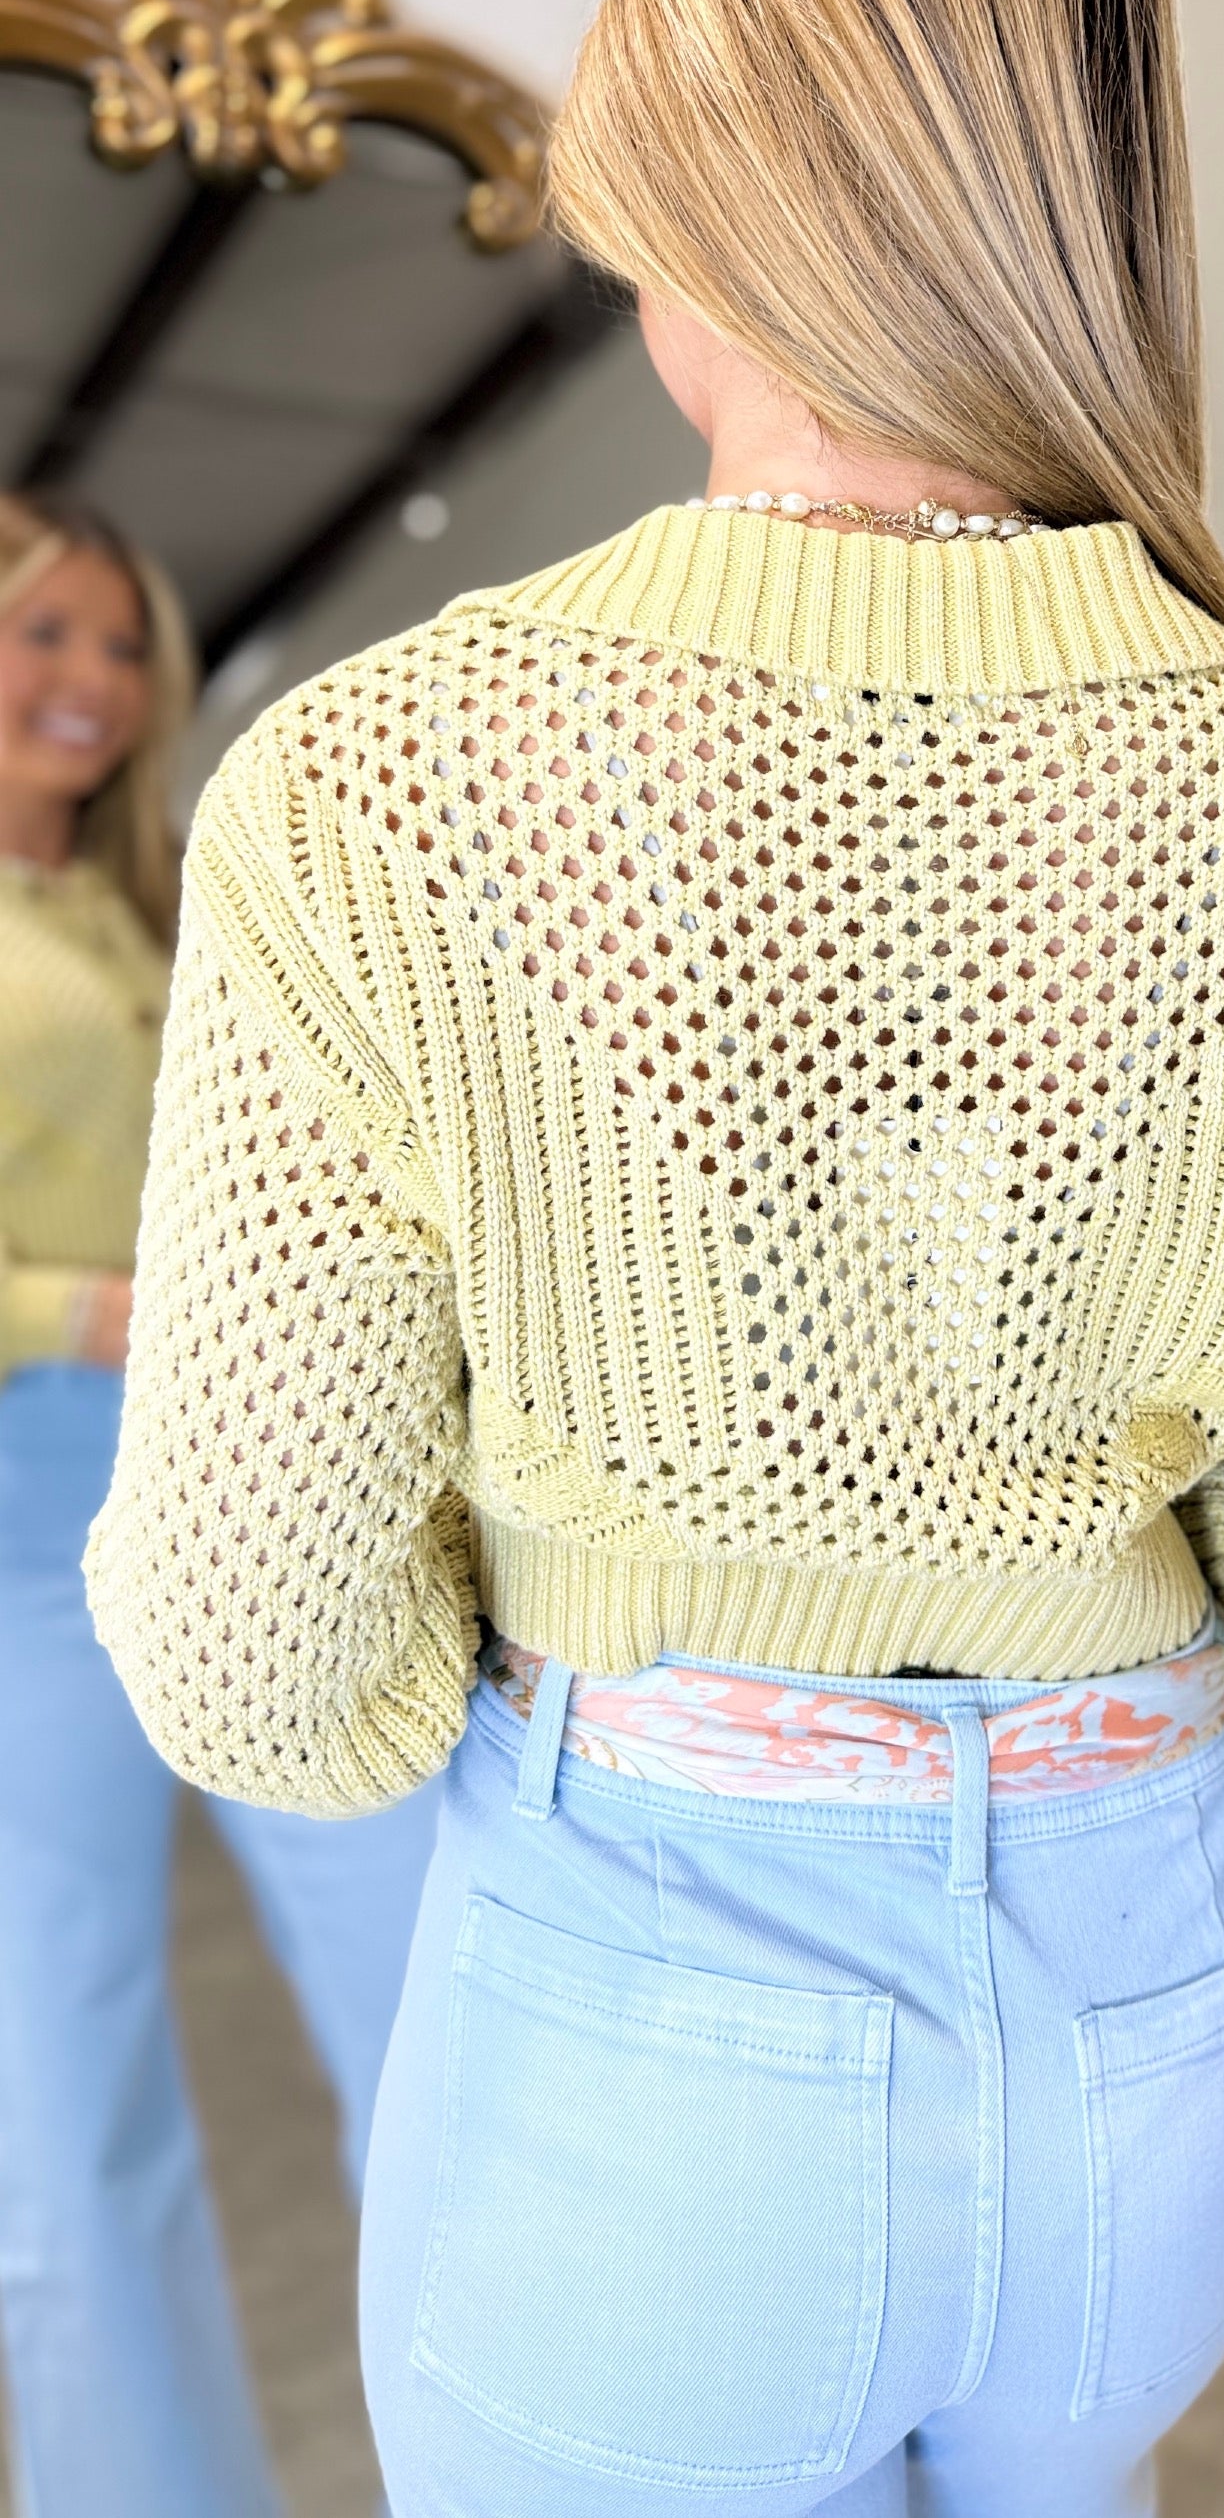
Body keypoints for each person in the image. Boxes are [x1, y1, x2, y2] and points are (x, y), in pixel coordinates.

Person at [86, 0, 1224, 2509]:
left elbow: (259, 1668)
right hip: (1147, 1996)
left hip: (652, 2006)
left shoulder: (371, 786)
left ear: (689, 213)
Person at [0, 489, 440, 2518]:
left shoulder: (160, 894)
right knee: (63, 2102)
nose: (91, 682)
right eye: (46, 633)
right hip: (23, 1519)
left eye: (120, 644)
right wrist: (88, 1306)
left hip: (249, 1479)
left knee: (434, 2002)